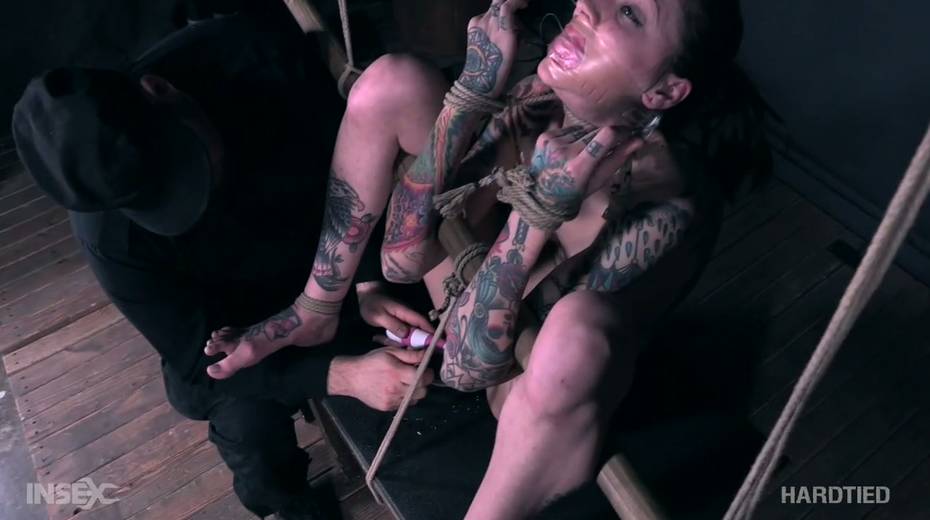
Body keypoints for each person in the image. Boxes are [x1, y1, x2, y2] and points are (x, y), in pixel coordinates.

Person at [205, 0, 769, 518]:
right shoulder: (544, 98)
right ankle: (316, 307)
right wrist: (471, 93)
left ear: (664, 93)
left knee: (576, 332)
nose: (587, 6)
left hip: (521, 381)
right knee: (391, 83)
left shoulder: (662, 209)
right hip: (479, 301)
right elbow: (404, 256)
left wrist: (534, 216)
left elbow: (470, 369)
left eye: (629, 14)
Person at [11, 5, 438, 520]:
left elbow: (361, 167)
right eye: (162, 201)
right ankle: (290, 506)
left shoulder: (257, 54)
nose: (199, 196)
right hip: (239, 327)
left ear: (160, 90)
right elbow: (199, 363)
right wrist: (339, 376)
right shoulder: (110, 238)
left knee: (430, 327)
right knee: (250, 436)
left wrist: (366, 281)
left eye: (187, 165)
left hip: (334, 258)